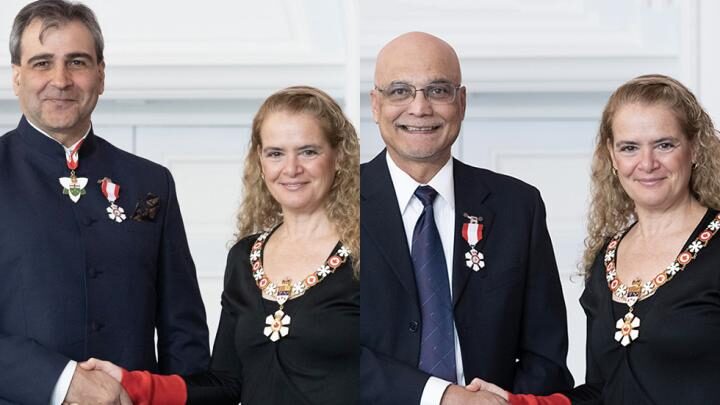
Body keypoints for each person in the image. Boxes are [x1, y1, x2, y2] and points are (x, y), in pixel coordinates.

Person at [81, 85, 361, 404]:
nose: (291, 168)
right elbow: (226, 384)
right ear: (260, 160)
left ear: (339, 156)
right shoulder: (245, 256)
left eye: (308, 151)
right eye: (276, 153)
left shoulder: (370, 251)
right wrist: (133, 385)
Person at [0, 1, 210, 404]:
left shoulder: (151, 182)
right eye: (42, 63)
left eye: (77, 62)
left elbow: (183, 334)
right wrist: (61, 382)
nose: (60, 80)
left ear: (101, 74)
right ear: (16, 77)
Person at [468, 74, 720, 404]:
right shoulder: (607, 258)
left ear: (695, 149)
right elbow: (602, 392)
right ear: (613, 159)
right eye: (629, 148)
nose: (647, 163)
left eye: (664, 144)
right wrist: (514, 402)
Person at [360, 31, 573, 405]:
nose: (420, 108)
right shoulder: (337, 204)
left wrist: (504, 403)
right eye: (400, 91)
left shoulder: (517, 206)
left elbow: (547, 357)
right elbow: (323, 350)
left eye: (438, 91)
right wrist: (442, 397)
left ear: (461, 102)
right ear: (375, 105)